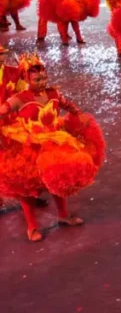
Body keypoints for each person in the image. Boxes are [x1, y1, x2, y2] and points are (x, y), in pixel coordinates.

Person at [0, 53, 104, 241]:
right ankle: (32, 226)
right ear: (26, 79)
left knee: (58, 181)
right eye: (37, 80)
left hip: (55, 144)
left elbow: (69, 106)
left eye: (44, 78)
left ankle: (63, 215)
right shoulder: (19, 98)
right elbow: (2, 111)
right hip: (30, 148)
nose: (42, 82)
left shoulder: (53, 94)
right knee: (27, 188)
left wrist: (80, 115)